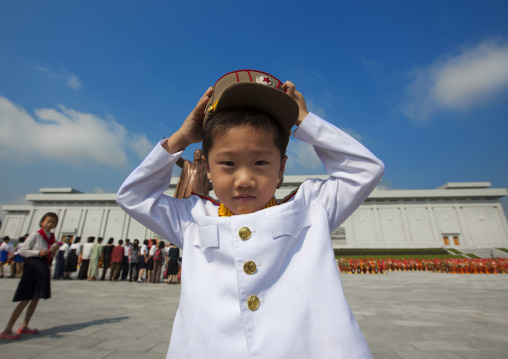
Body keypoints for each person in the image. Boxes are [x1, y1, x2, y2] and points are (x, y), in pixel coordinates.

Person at [116, 69, 384, 358]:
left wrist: (305, 121)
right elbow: (133, 196)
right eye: (228, 163)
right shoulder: (191, 218)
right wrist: (180, 138)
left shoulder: (311, 208)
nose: (244, 179)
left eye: (260, 162)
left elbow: (366, 170)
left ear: (281, 168)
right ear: (206, 167)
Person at [0, 212, 60, 340]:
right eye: (48, 221)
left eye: (53, 222)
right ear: (42, 222)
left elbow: (46, 252)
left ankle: (24, 325)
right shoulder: (36, 235)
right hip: (34, 266)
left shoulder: (50, 237)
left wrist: (51, 251)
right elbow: (22, 251)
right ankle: (7, 329)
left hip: (43, 266)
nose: (50, 224)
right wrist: (39, 252)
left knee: (36, 298)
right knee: (26, 298)